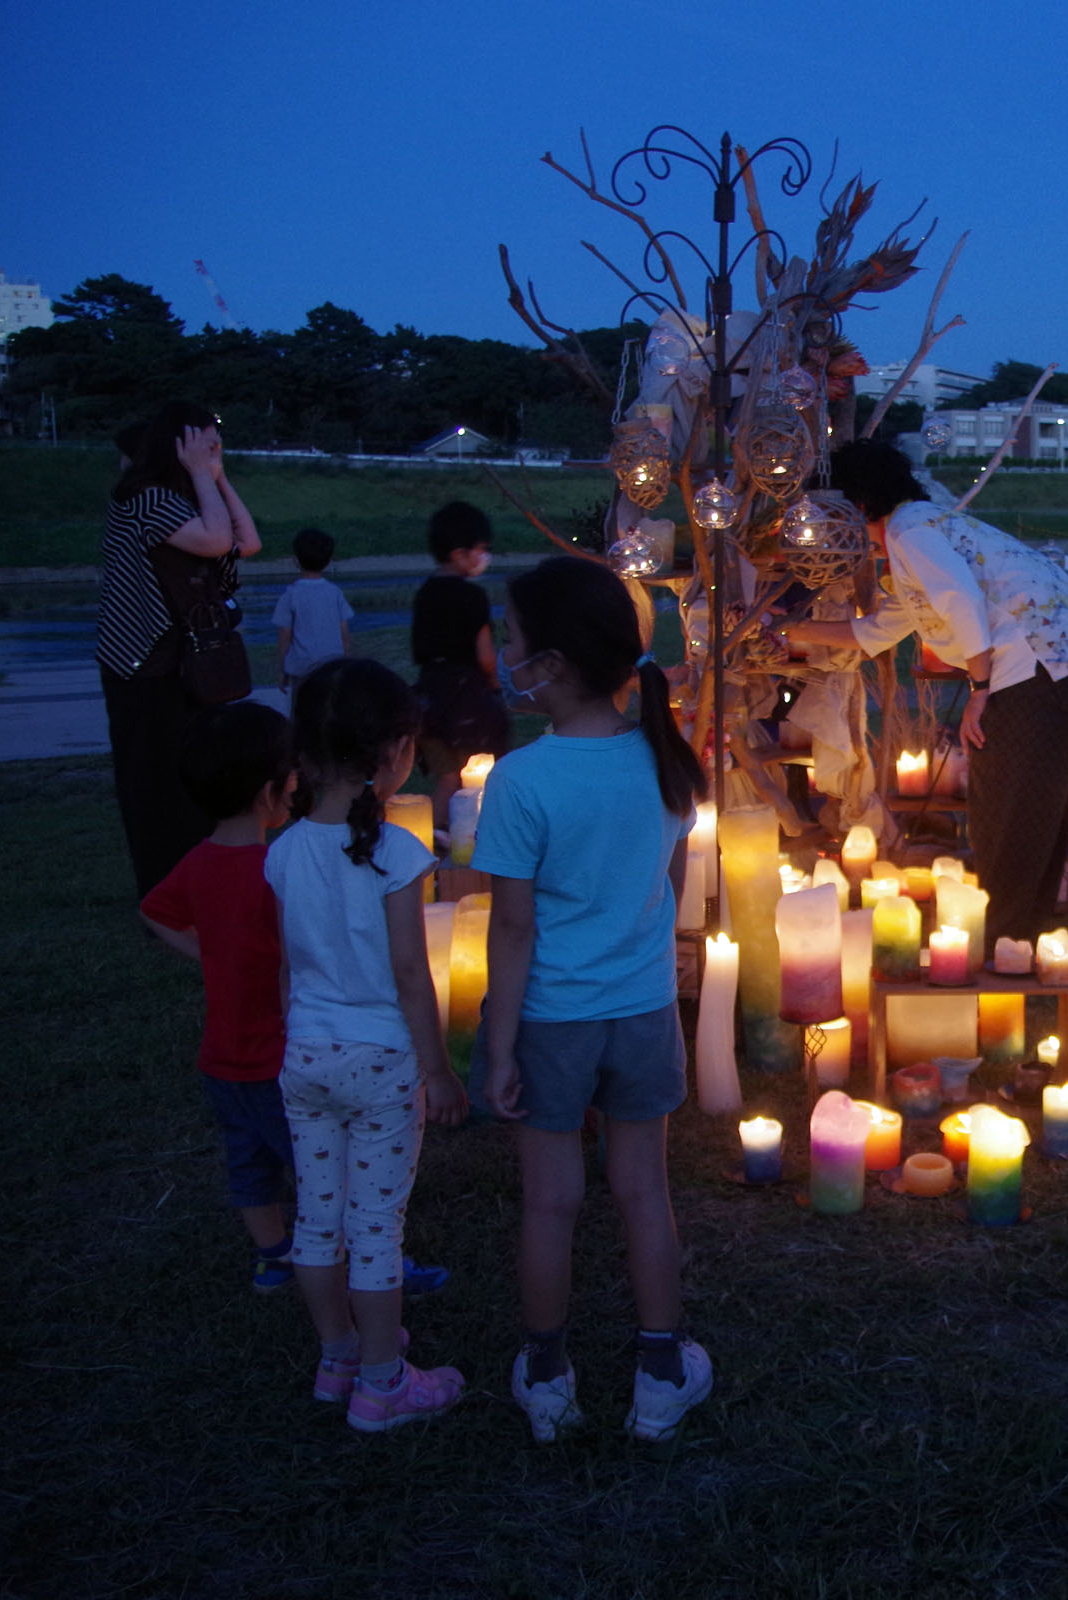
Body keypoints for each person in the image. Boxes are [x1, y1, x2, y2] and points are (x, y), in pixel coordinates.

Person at [473, 557, 712, 1447]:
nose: (504, 653)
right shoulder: (663, 762)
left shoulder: (525, 782)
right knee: (644, 1191)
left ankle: (547, 1374)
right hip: (643, 1012)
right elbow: (670, 881)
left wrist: (498, 1052)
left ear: (556, 664)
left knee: (551, 1201)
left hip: (552, 1020)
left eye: (514, 639)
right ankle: (659, 1373)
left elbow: (513, 933)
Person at [777, 438, 1068, 946]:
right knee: (1010, 806)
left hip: (1039, 661)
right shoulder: (911, 541)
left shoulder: (912, 531)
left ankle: (1006, 944)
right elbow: (873, 633)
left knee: (1013, 808)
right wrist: (785, 629)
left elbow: (960, 600)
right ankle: (1012, 943)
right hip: (1040, 663)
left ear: (860, 504)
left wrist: (979, 687)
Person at [264, 657, 467, 1432]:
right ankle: (384, 1384)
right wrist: (439, 1070)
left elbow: (290, 967)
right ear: (396, 752)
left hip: (306, 1055)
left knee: (318, 1218)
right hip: (382, 1061)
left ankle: (338, 1356)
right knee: (376, 1224)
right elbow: (412, 977)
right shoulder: (398, 854)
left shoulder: (281, 853)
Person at [138, 703, 305, 1291]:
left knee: (249, 1163)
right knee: (313, 1164)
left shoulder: (198, 862)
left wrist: (207, 951)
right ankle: (337, 1254)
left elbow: (153, 911)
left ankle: (271, 1256)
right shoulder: (278, 865)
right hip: (276, 1057)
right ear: (270, 792)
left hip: (222, 1059)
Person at [98, 403, 261, 897]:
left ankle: (194, 886)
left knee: (193, 773)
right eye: (206, 441)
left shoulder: (185, 496)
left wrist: (217, 477)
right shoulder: (143, 497)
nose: (215, 449)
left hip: (184, 659)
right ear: (178, 444)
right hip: (143, 660)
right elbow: (216, 540)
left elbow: (246, 542)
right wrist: (201, 474)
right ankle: (163, 893)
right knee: (153, 781)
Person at [410, 501, 508, 828]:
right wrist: (496, 684)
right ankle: (477, 843)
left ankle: (436, 844)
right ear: (458, 553)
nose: (484, 556)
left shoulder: (425, 593)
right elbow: (484, 656)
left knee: (447, 779)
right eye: (480, 549)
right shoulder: (472, 597)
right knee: (477, 778)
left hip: (431, 698)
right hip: (468, 700)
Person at [272, 527, 352, 689]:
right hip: (332, 665)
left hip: (301, 667)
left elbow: (284, 636)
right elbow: (344, 634)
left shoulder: (290, 595)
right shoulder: (335, 592)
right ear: (328, 562)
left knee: (300, 707)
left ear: (295, 560)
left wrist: (281, 669)